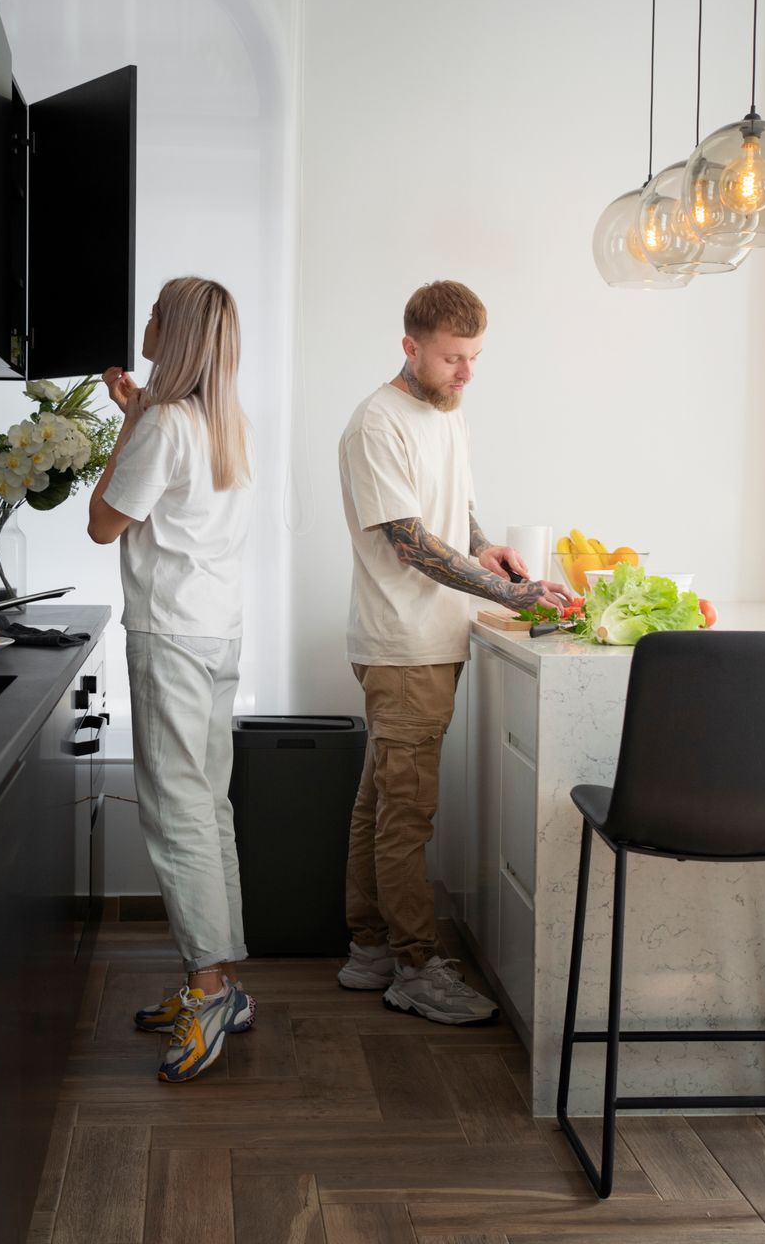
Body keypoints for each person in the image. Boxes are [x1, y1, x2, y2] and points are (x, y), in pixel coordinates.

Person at [335, 280, 576, 1024]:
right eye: (452, 359)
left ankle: (370, 948)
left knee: (381, 802)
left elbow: (453, 511)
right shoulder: (378, 423)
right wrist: (510, 596)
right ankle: (413, 966)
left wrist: (486, 549)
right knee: (408, 814)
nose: (466, 373)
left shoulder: (444, 412)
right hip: (403, 644)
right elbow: (409, 542)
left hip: (429, 640)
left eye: (474, 357)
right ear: (410, 347)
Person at [89, 276, 255, 1081]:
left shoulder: (163, 422)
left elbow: (100, 522)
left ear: (176, 331)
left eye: (153, 313)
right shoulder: (221, 420)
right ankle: (224, 981)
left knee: (174, 814)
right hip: (217, 633)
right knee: (207, 806)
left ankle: (208, 989)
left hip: (171, 634)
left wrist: (132, 423)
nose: (144, 321)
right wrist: (140, 412)